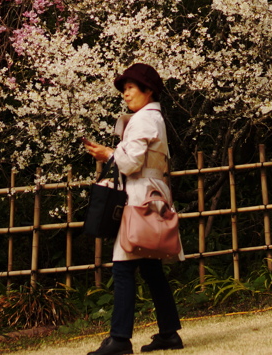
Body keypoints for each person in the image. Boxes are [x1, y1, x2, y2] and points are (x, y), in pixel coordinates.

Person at [84, 63, 183, 355]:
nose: (125, 94)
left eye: (130, 88)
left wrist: (108, 153)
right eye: (124, 89)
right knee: (151, 268)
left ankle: (120, 339)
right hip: (150, 195)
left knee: (124, 267)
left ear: (148, 90)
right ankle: (168, 333)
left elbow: (130, 163)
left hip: (140, 197)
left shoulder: (143, 120)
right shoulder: (152, 118)